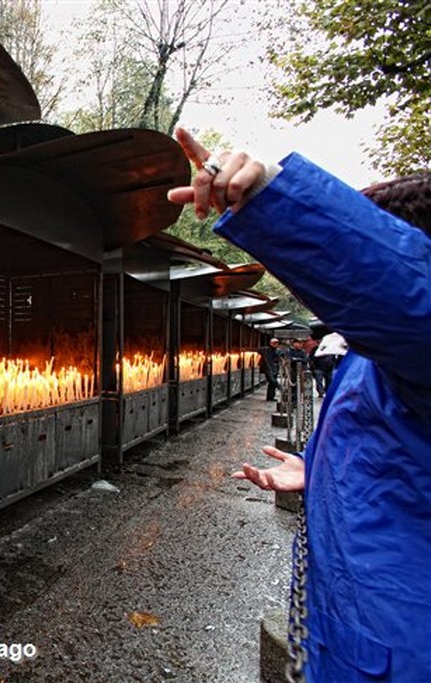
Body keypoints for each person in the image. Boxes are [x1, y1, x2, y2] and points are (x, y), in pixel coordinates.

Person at [168, 127, 431, 682]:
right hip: (354, 642)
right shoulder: (371, 361)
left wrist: (273, 198)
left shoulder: (408, 339)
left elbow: (407, 298)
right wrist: (323, 472)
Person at [260, 337, 282, 401]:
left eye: (276, 343)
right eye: (274, 343)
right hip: (269, 368)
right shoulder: (267, 350)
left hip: (273, 368)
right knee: (273, 382)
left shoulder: (276, 351)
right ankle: (271, 396)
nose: (276, 344)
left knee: (272, 384)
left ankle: (270, 397)